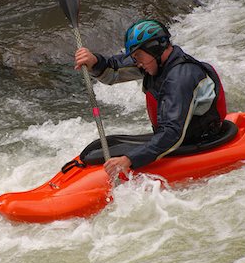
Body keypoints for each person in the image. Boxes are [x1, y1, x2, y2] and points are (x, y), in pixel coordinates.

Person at [74, 19, 227, 177]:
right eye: (134, 57)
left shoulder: (181, 77)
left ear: (155, 48)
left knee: (110, 152)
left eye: (138, 56)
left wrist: (129, 159)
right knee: (99, 148)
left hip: (198, 141)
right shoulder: (153, 62)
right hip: (176, 135)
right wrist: (94, 61)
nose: (137, 63)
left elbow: (172, 133)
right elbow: (112, 71)